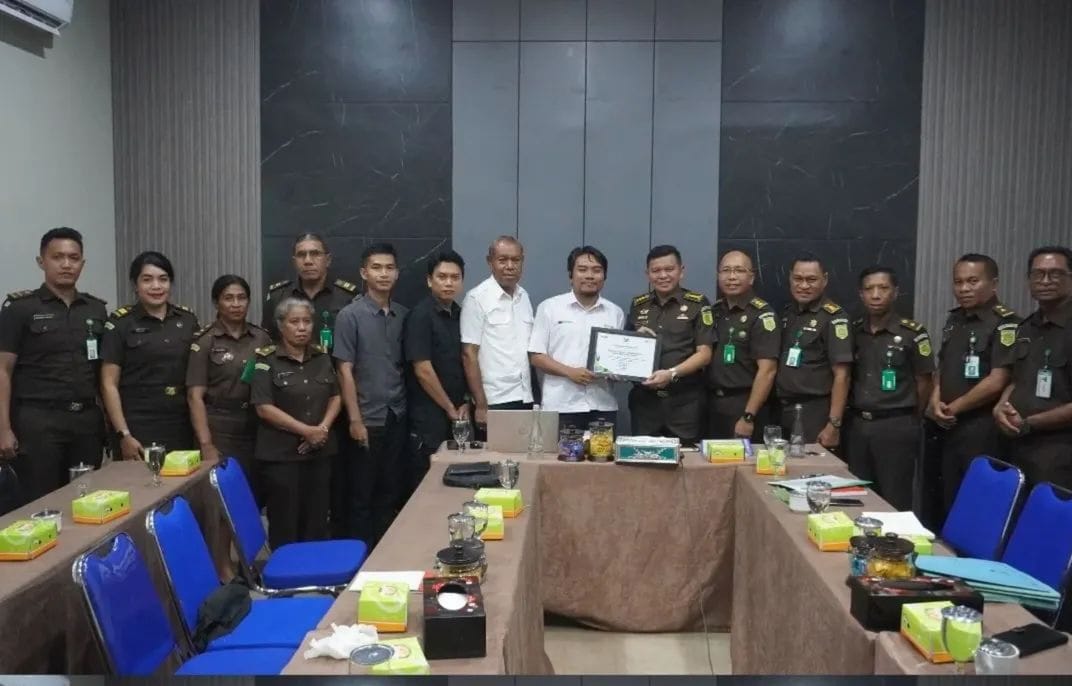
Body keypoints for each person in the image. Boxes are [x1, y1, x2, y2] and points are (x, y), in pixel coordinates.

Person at [0, 228, 108, 502]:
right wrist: (3, 429)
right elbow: (3, 370)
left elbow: (101, 372)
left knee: (86, 501)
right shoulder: (20, 309)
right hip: (39, 423)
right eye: (57, 257)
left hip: (86, 422)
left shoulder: (96, 309)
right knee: (40, 503)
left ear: (82, 263)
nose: (66, 264)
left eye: (74, 258)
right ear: (41, 262)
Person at [929, 254, 1019, 511]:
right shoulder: (955, 319)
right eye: (958, 282)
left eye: (972, 281)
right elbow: (943, 367)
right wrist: (935, 400)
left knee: (978, 502)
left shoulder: (1005, 323)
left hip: (981, 427)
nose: (964, 288)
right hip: (947, 425)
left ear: (994, 284)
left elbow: (999, 379)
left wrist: (953, 408)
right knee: (948, 497)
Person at [250, 297, 340, 547]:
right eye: (294, 322)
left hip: (320, 452)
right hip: (282, 456)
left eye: (307, 321)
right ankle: (285, 570)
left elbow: (336, 397)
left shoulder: (322, 357)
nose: (302, 327)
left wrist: (321, 429)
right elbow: (264, 408)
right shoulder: (265, 360)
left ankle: (316, 569)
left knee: (317, 521)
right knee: (285, 522)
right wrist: (305, 431)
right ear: (281, 325)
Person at [334, 243, 408, 545]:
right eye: (377, 268)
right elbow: (344, 370)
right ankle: (361, 559)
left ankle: (384, 555)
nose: (384, 274)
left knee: (390, 492)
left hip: (397, 415)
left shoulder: (403, 315)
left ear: (397, 273)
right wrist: (354, 420)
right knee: (361, 496)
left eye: (389, 268)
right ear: (364, 273)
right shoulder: (349, 316)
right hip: (366, 419)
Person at [846, 267, 934, 510]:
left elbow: (925, 380)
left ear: (895, 292)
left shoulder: (913, 333)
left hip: (896, 426)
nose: (875, 295)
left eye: (883, 288)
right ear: (861, 294)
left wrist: (911, 416)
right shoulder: (854, 331)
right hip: (859, 425)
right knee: (859, 496)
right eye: (869, 289)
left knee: (895, 498)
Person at [100, 252, 199, 460]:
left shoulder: (188, 320)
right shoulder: (120, 323)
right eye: (147, 279)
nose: (156, 286)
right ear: (135, 285)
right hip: (138, 423)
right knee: (141, 480)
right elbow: (109, 384)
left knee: (183, 479)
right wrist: (124, 434)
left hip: (181, 422)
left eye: (163, 279)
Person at [186, 275, 272, 497]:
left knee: (254, 494)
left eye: (241, 298)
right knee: (224, 497)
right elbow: (195, 397)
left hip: (256, 426)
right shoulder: (205, 341)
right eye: (228, 298)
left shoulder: (261, 338)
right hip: (220, 428)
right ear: (217, 303)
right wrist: (206, 444)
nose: (236, 304)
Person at [994, 246, 1072, 490]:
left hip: (1060, 452)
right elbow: (1016, 379)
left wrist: (1030, 422)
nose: (1045, 281)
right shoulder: (1027, 327)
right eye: (1038, 274)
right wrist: (1000, 407)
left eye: (1055, 274)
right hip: (1019, 444)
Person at [529, 246, 625, 432]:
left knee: (603, 453)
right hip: (561, 407)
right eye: (582, 270)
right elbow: (536, 356)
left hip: (603, 406)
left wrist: (621, 370)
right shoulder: (549, 308)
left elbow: (618, 359)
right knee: (559, 452)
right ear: (570, 275)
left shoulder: (615, 313)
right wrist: (569, 372)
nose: (590, 276)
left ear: (604, 276)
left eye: (596, 270)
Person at [625, 245, 714, 444]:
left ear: (681, 271)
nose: (663, 275)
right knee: (643, 457)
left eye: (669, 269)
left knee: (688, 459)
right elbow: (626, 347)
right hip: (645, 404)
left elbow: (705, 354)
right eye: (656, 270)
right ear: (648, 274)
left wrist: (671, 373)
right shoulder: (638, 305)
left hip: (685, 403)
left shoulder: (698, 304)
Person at [403, 251, 468, 493]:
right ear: (430, 280)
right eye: (442, 277)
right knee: (428, 486)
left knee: (457, 483)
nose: (449, 283)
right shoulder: (420, 316)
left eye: (455, 277)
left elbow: (467, 361)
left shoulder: (461, 314)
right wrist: (450, 408)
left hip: (458, 415)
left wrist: (466, 401)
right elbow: (423, 370)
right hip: (428, 417)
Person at [776, 254, 853, 449]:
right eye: (798, 279)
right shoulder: (787, 313)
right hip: (783, 408)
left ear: (824, 280)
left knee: (811, 466)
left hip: (814, 411)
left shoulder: (834, 318)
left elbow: (842, 376)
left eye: (811, 279)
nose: (803, 285)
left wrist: (834, 424)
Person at [461, 236, 535, 434]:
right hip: (494, 400)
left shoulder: (524, 297)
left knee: (523, 454)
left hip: (525, 396)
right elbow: (469, 354)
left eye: (516, 260)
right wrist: (481, 404)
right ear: (490, 262)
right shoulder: (476, 298)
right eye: (502, 260)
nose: (510, 266)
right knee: (495, 454)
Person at [706, 250, 780, 438]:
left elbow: (768, 371)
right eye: (726, 270)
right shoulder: (714, 311)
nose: (732, 277)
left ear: (751, 277)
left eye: (739, 270)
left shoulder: (762, 315)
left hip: (744, 405)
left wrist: (748, 416)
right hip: (711, 405)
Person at [261, 233, 358, 344]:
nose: (308, 261)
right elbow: (268, 339)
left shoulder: (347, 296)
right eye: (301, 255)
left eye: (315, 254)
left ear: (328, 260)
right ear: (294, 262)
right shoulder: (278, 296)